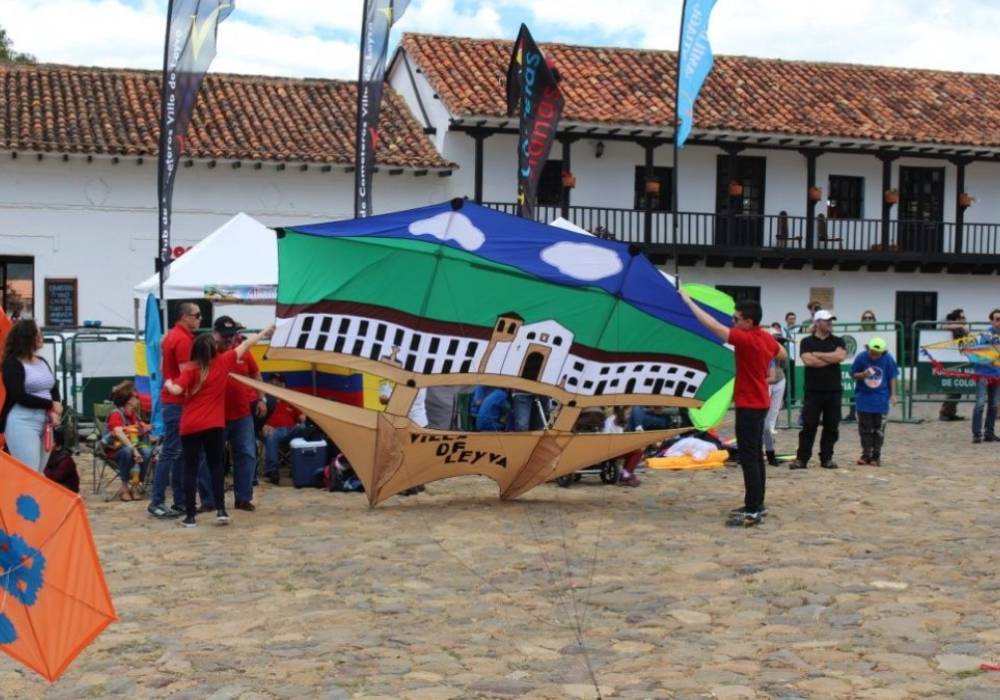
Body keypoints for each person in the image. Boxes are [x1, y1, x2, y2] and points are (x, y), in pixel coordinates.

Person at [680, 292, 785, 527]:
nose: (733, 322)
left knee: (749, 459)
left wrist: (689, 302)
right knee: (756, 456)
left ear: (749, 322)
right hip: (760, 403)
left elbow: (713, 327)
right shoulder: (766, 338)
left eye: (736, 319)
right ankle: (757, 503)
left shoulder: (747, 339)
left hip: (749, 406)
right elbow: (783, 354)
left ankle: (753, 511)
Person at [164, 324, 274, 528]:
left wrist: (169, 383)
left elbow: (177, 391)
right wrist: (264, 332)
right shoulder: (223, 362)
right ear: (213, 350)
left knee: (191, 469)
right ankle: (221, 512)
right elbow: (248, 344)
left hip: (190, 425)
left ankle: (190, 517)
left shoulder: (190, 369)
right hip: (214, 424)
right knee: (217, 467)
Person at [147, 302, 201, 519]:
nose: (200, 319)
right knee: (171, 452)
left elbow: (164, 369)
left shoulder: (172, 336)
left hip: (173, 401)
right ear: (185, 316)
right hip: (178, 401)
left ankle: (179, 500)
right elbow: (185, 374)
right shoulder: (182, 339)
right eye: (197, 315)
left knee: (178, 453)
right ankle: (157, 501)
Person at [216, 316, 265, 512]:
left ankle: (243, 497)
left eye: (232, 335)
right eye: (226, 335)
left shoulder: (244, 352)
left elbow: (256, 374)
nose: (229, 339)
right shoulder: (209, 351)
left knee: (246, 454)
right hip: (216, 414)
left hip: (242, 412)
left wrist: (260, 398)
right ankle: (209, 499)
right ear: (216, 333)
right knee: (211, 457)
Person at [0, 319, 62, 471]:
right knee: (30, 471)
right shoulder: (12, 363)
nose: (41, 336)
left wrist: (55, 407)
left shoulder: (42, 361)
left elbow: (52, 387)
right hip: (22, 420)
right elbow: (19, 395)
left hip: (45, 421)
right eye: (37, 333)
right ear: (26, 337)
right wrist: (50, 405)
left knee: (39, 472)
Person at [789, 309, 847, 469]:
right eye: (826, 320)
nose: (830, 323)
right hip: (813, 390)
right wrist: (830, 358)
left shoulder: (838, 341)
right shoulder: (807, 342)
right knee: (809, 425)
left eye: (831, 320)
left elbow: (840, 356)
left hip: (834, 389)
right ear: (817, 322)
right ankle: (802, 458)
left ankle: (826, 458)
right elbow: (809, 361)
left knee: (831, 425)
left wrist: (818, 354)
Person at [850, 338, 898, 466]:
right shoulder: (861, 357)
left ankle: (876, 455)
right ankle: (866, 454)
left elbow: (892, 376)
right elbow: (853, 374)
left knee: (879, 429)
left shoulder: (888, 359)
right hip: (864, 398)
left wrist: (893, 394)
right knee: (865, 429)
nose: (874, 356)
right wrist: (863, 375)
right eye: (872, 352)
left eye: (877, 354)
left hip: (881, 399)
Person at [104, 380, 153, 501]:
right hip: (115, 449)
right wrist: (134, 450)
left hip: (134, 447)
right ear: (129, 400)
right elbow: (119, 433)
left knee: (147, 452)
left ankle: (135, 486)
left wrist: (146, 430)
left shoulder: (134, 415)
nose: (138, 399)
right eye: (136, 397)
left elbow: (137, 433)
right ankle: (125, 487)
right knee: (127, 452)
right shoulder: (116, 414)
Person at [261, 374, 308, 484]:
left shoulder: (290, 400)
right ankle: (272, 472)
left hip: (291, 430)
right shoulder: (264, 401)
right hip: (274, 431)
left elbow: (303, 418)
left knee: (305, 428)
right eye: (273, 383)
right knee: (272, 435)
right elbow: (257, 420)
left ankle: (299, 468)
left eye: (279, 384)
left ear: (284, 385)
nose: (275, 385)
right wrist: (262, 426)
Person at [971, 309, 1000, 444]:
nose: (999, 322)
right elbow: (983, 352)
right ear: (992, 321)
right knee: (980, 404)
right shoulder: (986, 334)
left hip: (997, 374)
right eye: (997, 319)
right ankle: (977, 434)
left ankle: (989, 433)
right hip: (983, 373)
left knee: (994, 405)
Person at [763, 333, 788, 466]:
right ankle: (764, 448)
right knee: (764, 418)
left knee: (773, 412)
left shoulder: (779, 351)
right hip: (765, 383)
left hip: (778, 379)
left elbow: (783, 361)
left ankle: (769, 448)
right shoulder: (764, 350)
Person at [939, 309, 968, 422]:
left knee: (957, 390)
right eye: (962, 318)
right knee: (952, 389)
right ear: (956, 319)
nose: (964, 320)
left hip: (960, 358)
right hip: (949, 360)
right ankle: (945, 412)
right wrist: (961, 326)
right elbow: (944, 326)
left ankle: (951, 412)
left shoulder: (960, 329)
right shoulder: (951, 326)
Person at [44, 425, 80, 493]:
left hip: (68, 491)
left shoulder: (65, 460)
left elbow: (55, 478)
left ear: (57, 445)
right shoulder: (52, 454)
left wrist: (43, 470)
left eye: (51, 441)